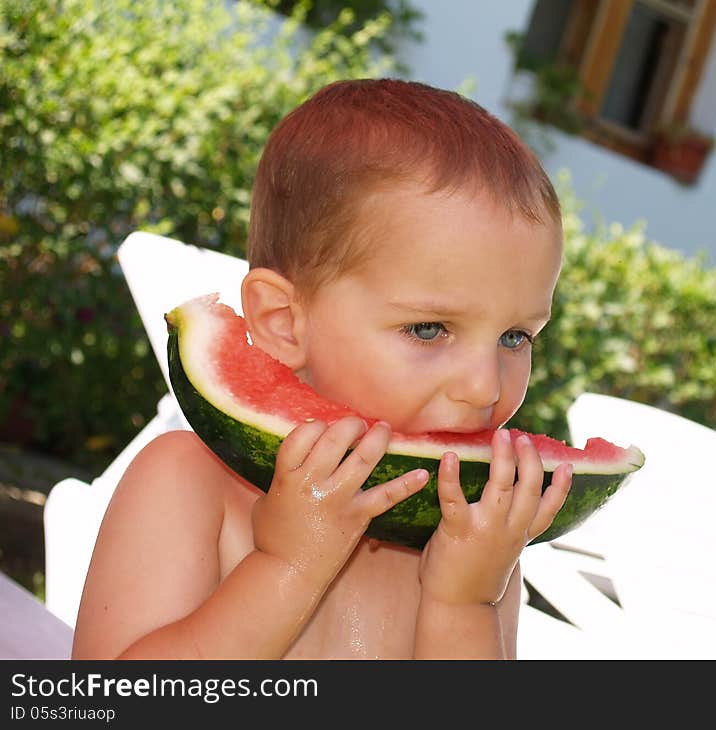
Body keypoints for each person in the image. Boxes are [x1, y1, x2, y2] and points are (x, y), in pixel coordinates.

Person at [72, 79, 573, 659]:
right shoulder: (188, 484)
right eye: (428, 329)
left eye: (515, 336)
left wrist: (464, 605)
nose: (485, 385)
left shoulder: (477, 538)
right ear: (285, 320)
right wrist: (285, 566)